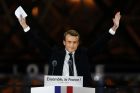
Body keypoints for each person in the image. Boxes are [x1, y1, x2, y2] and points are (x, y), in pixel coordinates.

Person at [17, 11, 121, 87]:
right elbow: (38, 43)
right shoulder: (54, 53)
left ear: (78, 43)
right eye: (69, 42)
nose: (72, 45)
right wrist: (25, 26)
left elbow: (100, 43)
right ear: (64, 43)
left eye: (74, 42)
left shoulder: (84, 54)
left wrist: (114, 28)